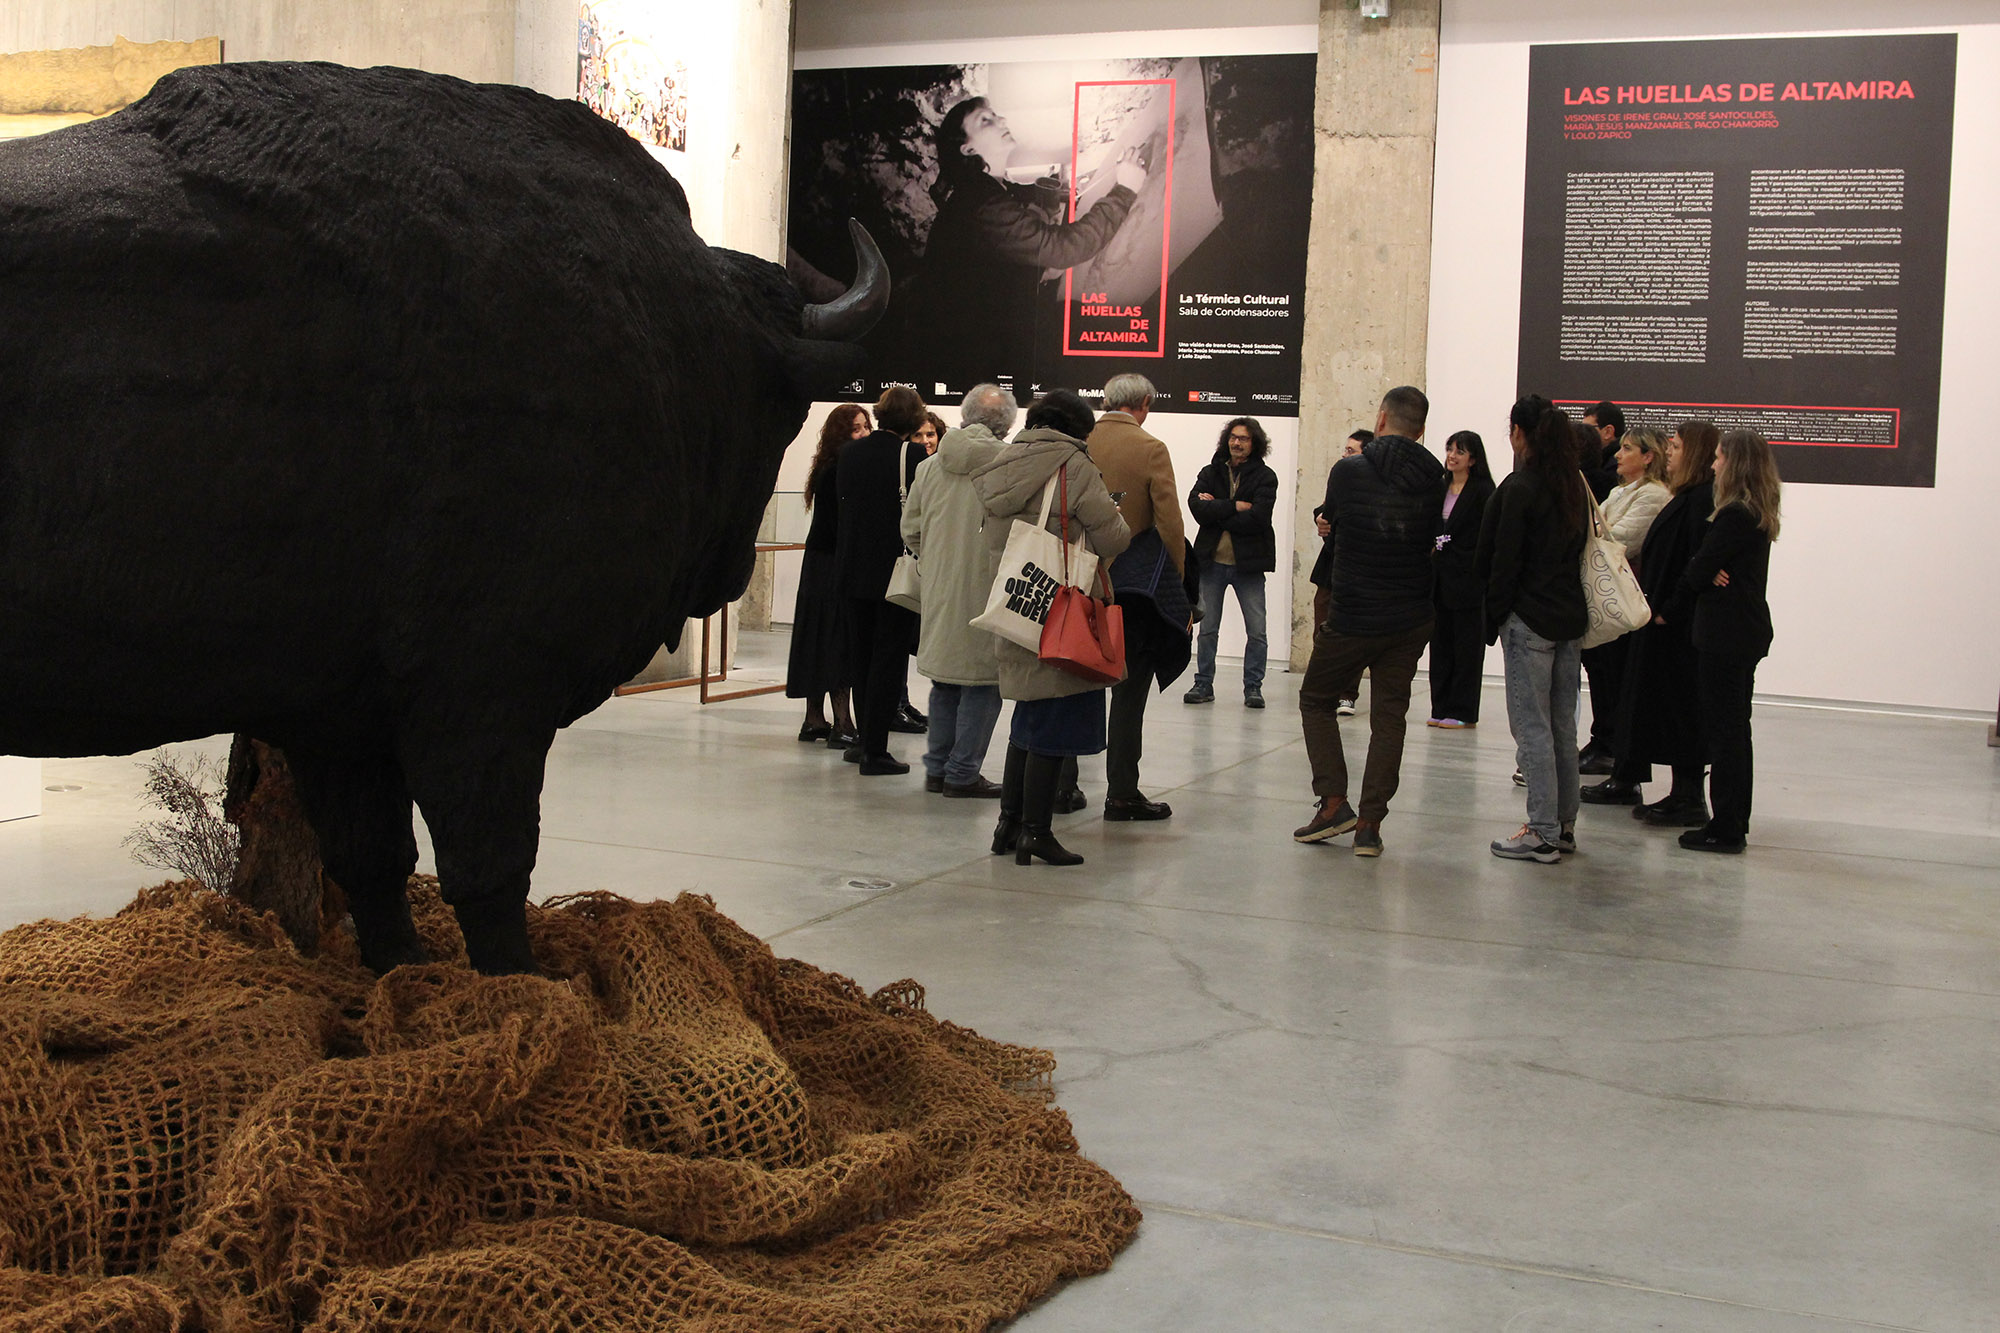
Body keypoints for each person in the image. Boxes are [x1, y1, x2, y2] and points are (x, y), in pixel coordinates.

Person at [972, 389, 1130, 865]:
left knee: (1027, 718)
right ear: (1079, 429)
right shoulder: (1073, 465)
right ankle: (1036, 833)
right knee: (1054, 723)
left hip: (1017, 600)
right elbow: (1112, 536)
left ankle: (1009, 825)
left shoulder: (1005, 460)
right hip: (1060, 608)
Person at [1293, 387, 1445, 857]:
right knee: (1389, 718)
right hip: (1410, 616)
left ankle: (1335, 801)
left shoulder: (1348, 470)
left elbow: (1333, 521)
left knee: (1317, 699)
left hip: (1355, 613)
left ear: (1380, 420)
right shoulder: (1436, 478)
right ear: (1420, 430)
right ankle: (1370, 826)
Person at [925, 97, 1149, 386]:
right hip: (973, 359)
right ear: (968, 148)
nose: (1001, 121)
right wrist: (1125, 190)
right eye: (985, 119)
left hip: (985, 342)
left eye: (996, 115)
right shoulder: (980, 202)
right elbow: (1062, 249)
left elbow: (997, 251)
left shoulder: (986, 190)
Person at [1477, 396, 1589, 863]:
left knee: (1533, 729)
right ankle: (1562, 825)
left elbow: (1503, 561)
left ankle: (1541, 830)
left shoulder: (1521, 486)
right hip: (1568, 619)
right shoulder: (1572, 487)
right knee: (1562, 726)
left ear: (1521, 434)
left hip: (1530, 621)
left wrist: (1495, 617)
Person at [1658, 430, 1780, 853]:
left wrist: (1668, 607)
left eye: (1718, 458)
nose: (1713, 466)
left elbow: (1699, 567)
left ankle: (1727, 825)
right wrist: (1707, 568)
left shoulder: (1734, 516)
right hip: (1741, 631)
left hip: (1726, 634)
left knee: (1725, 733)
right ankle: (1731, 821)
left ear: (1736, 463)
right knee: (1733, 730)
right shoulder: (1754, 513)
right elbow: (1709, 565)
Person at [1593, 420, 1720, 824]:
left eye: (1678, 446)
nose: (1671, 452)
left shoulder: (1697, 500)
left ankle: (1688, 796)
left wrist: (1671, 607)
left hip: (1675, 624)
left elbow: (1697, 560)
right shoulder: (1686, 497)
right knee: (1654, 704)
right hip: (1661, 615)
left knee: (1680, 709)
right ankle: (1670, 790)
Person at [902, 385, 1017, 798]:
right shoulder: (1011, 465)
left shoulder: (930, 466)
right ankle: (963, 773)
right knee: (983, 684)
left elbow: (910, 529)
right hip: (990, 589)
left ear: (965, 416)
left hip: (940, 589)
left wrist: (935, 562)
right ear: (1007, 423)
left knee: (946, 681)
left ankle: (937, 770)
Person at [1087, 374, 1190, 820]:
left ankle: (1062, 786)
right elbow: (1170, 525)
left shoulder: (1080, 440)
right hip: (1131, 593)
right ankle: (1122, 792)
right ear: (1145, 403)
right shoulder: (1151, 448)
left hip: (1075, 584)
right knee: (1129, 695)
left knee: (1074, 682)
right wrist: (1179, 588)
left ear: (1107, 400)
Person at [833, 385, 928, 774]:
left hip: (853, 569)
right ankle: (875, 749)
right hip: (895, 571)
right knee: (889, 660)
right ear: (914, 419)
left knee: (861, 657)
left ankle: (862, 744)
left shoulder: (850, 453)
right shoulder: (914, 455)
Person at [1576, 426, 1672, 787]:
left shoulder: (1652, 496)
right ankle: (1602, 739)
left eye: (1627, 449)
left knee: (1614, 675)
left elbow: (1616, 539)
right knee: (1601, 673)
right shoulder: (1620, 492)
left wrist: (1597, 533)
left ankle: (1612, 746)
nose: (1617, 454)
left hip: (1622, 597)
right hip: (1604, 595)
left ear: (1648, 457)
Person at [786, 403, 868, 749]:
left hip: (818, 562)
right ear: (841, 434)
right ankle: (843, 723)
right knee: (837, 638)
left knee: (817, 636)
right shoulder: (842, 471)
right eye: (857, 428)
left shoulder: (827, 468)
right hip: (833, 563)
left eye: (866, 426)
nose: (865, 433)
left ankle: (814, 719)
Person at [1185, 417, 1279, 709]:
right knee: (1208, 627)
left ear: (1255, 444)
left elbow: (1259, 517)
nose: (1237, 443)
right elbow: (1197, 507)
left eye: (1244, 439)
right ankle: (1203, 683)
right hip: (1211, 562)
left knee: (1257, 630)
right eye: (1233, 437)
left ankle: (1253, 687)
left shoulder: (1266, 477)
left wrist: (1217, 507)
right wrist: (1234, 505)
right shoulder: (1210, 471)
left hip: (1247, 565)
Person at [1428, 429, 1495, 729]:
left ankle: (1463, 710)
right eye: (1450, 449)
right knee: (1440, 644)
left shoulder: (1483, 490)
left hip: (1467, 578)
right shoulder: (1439, 486)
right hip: (1438, 577)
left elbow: (1485, 536)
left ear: (1473, 458)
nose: (1452, 456)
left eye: (1460, 451)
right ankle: (1440, 706)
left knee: (1466, 647)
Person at [1308, 429, 1374, 717]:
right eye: (1344, 450)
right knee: (1323, 628)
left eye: (1352, 451)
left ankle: (1348, 694)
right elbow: (1325, 509)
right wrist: (1321, 519)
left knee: (1353, 634)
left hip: (1358, 570)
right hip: (1330, 566)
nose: (1345, 455)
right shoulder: (1340, 477)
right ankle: (1325, 689)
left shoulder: (1373, 485)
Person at [1580, 400, 1625, 501]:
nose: (1583, 433)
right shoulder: (1604, 459)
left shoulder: (1616, 465)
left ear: (1608, 431)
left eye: (1588, 429)